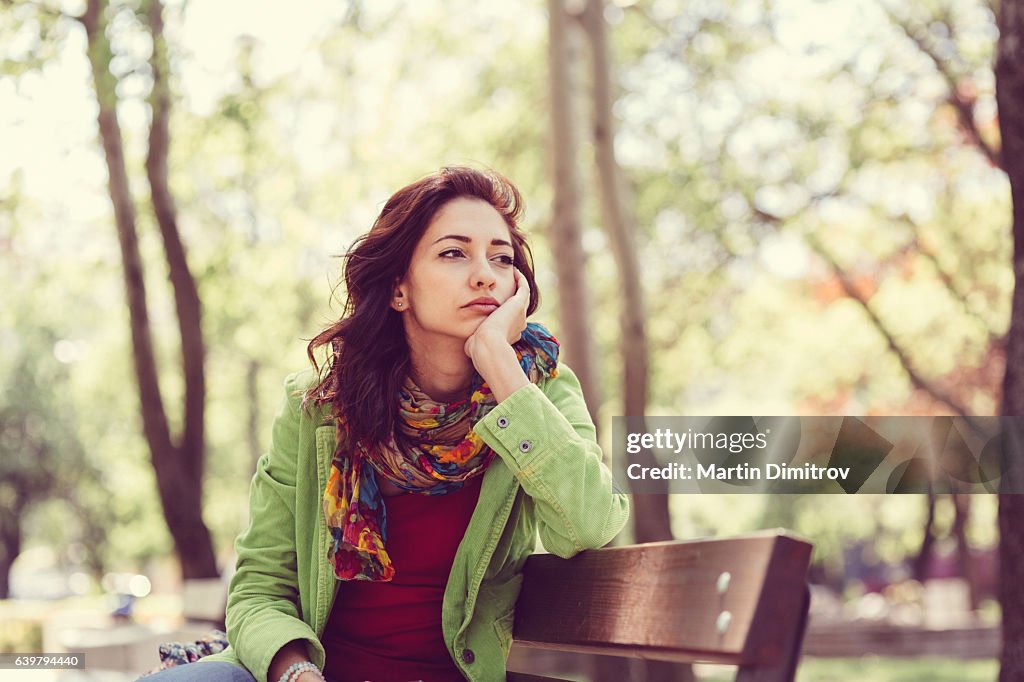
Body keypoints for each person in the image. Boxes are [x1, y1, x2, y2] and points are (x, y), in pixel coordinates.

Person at [144, 166, 630, 682]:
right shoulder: (321, 410)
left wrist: (498, 361)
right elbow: (260, 588)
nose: (485, 273)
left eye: (501, 257)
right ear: (399, 289)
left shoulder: (538, 392)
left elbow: (590, 525)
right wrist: (297, 674)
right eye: (453, 252)